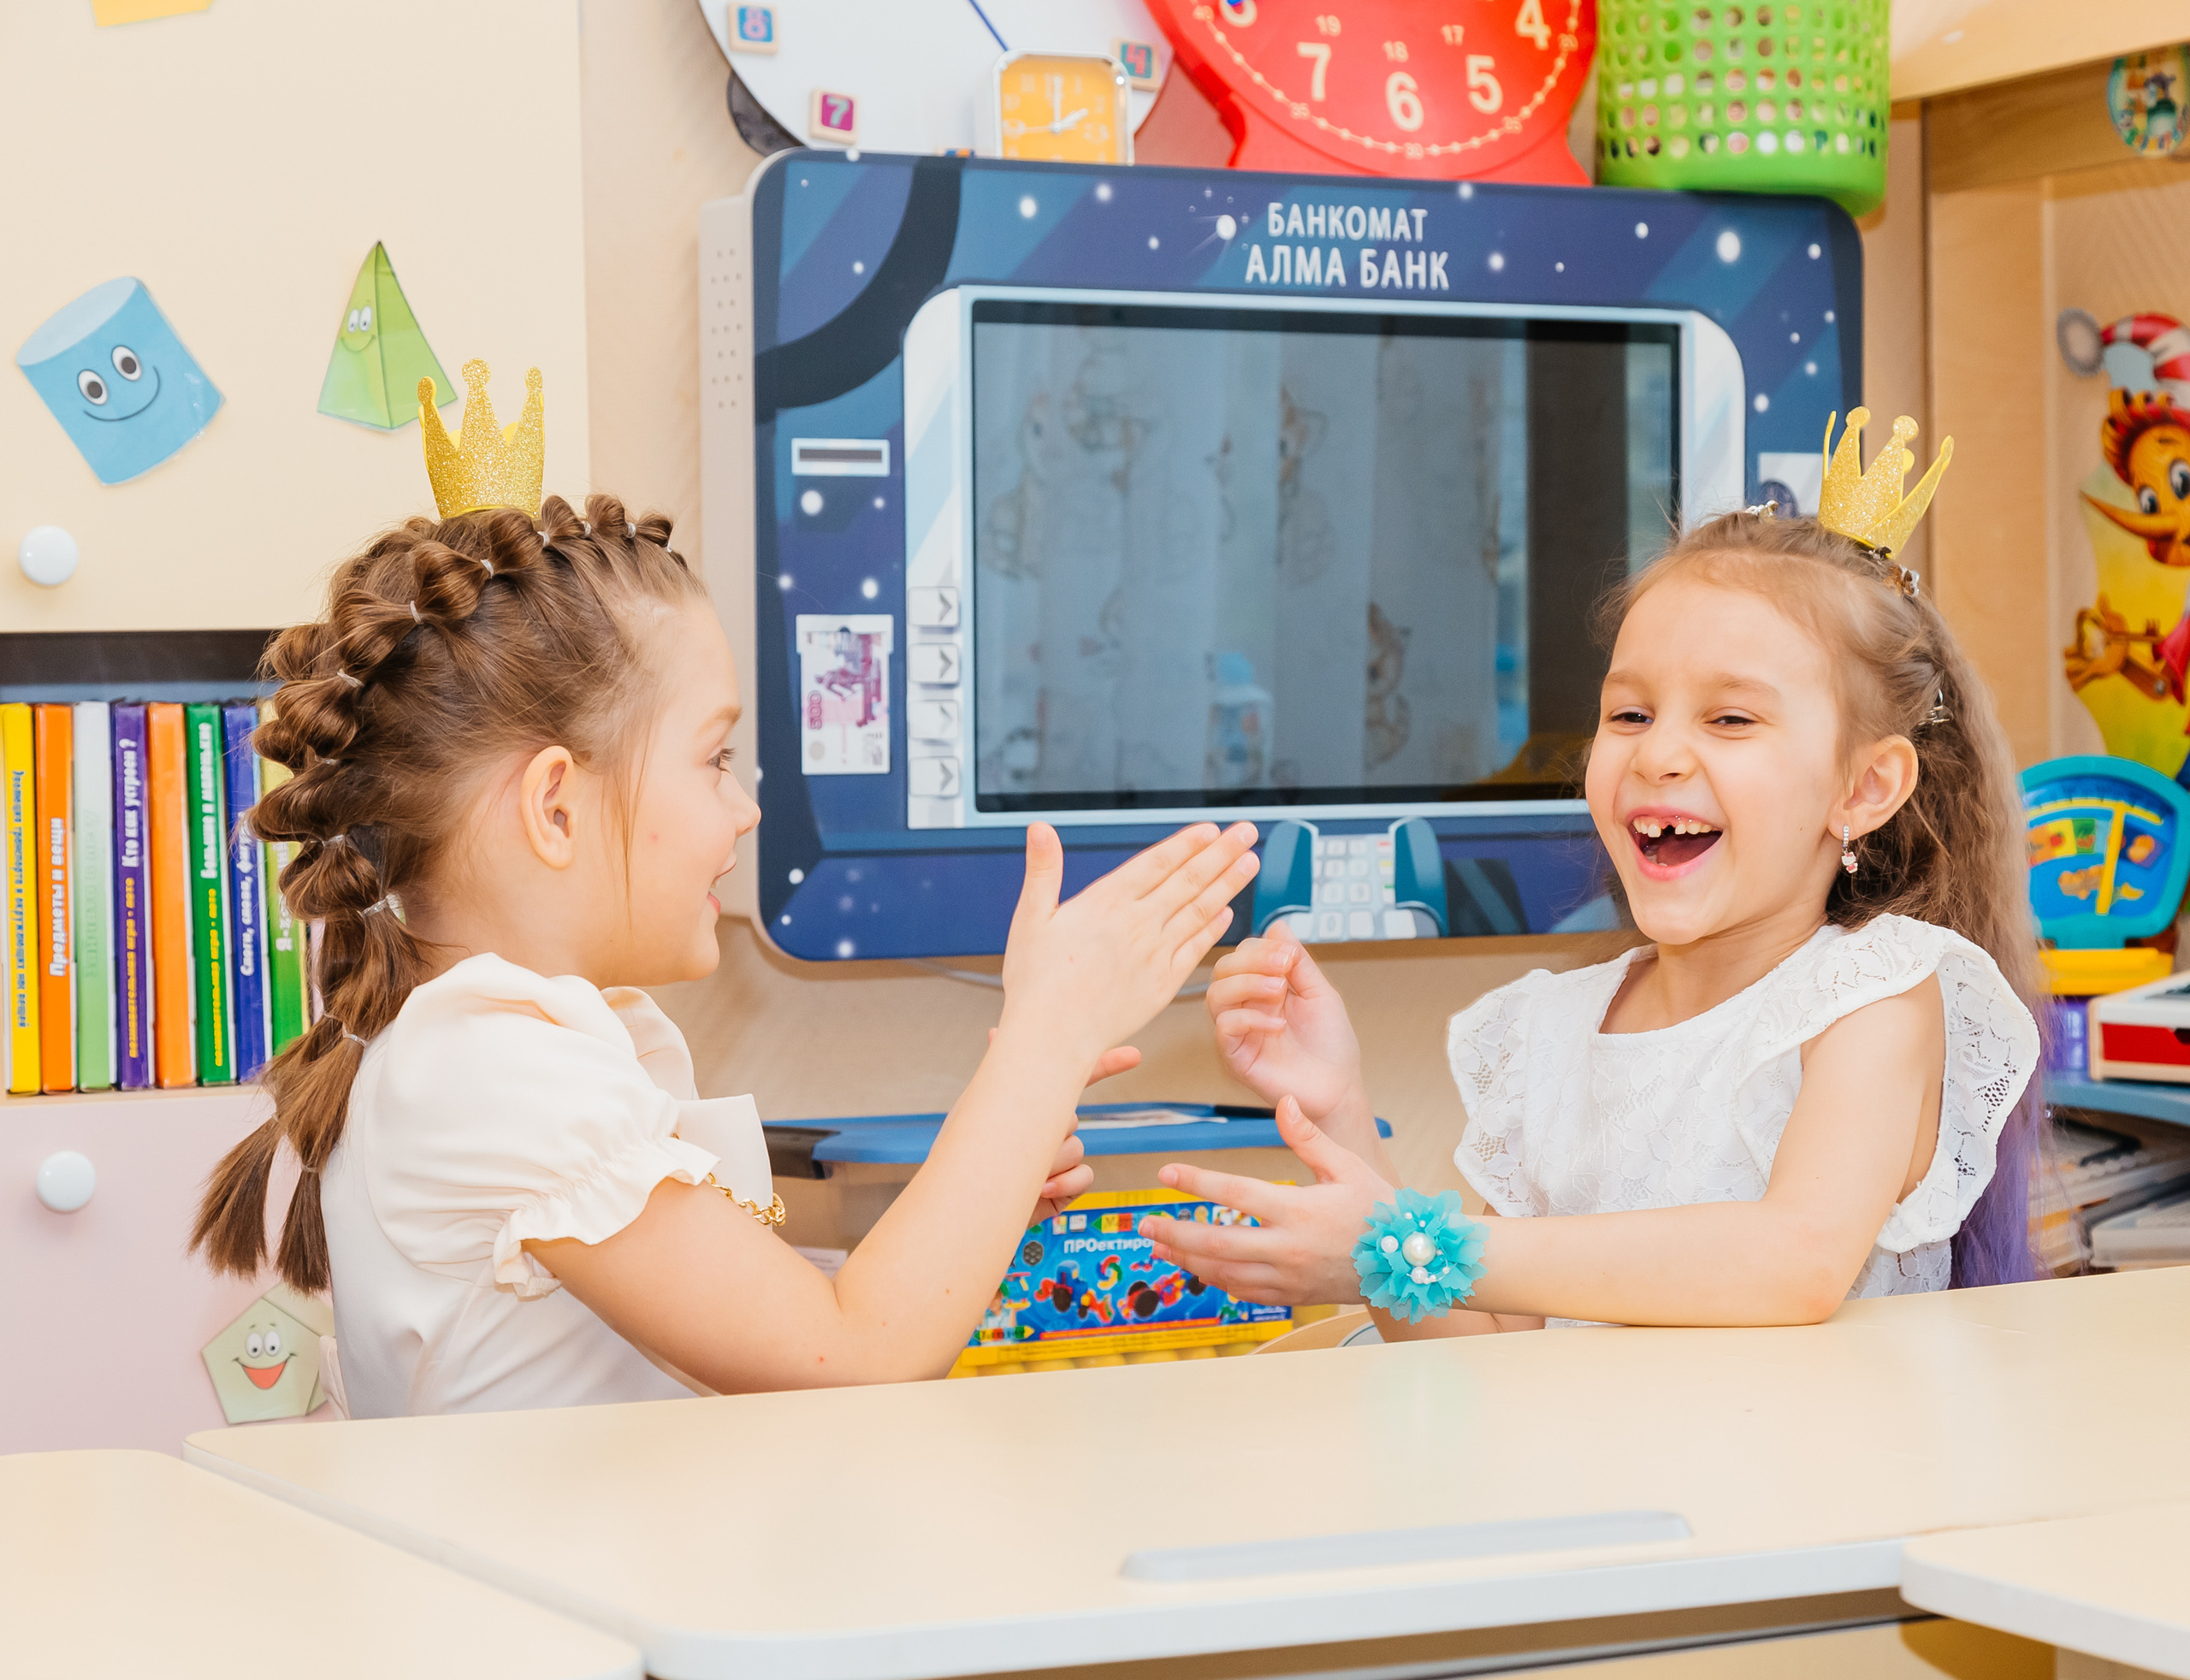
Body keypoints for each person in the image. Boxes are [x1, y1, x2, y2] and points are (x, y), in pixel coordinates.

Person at [189, 482, 1258, 1413]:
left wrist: (978, 1189)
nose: (743, 809)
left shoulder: (522, 1047)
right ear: (556, 805)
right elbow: (854, 1354)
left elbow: (756, 1325)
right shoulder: (487, 1069)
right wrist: (1048, 1030)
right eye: (714, 758)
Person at [1139, 505, 2042, 1334]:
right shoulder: (1550, 1030)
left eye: (1729, 717)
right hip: (1604, 1496)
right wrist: (1336, 1110)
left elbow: (1793, 1259)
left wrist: (1401, 1241)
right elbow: (1477, 1345)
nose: (1657, 753)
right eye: (1629, 712)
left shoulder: (1874, 995)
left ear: (1863, 786)